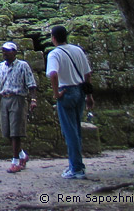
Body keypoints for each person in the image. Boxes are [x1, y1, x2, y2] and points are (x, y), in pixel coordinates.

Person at [46, 25, 93, 179]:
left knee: (70, 131)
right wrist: (89, 95)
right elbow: (87, 73)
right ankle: (75, 164)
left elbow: (53, 74)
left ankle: (77, 168)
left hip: (66, 92)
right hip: (80, 91)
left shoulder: (55, 54)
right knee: (76, 129)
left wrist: (56, 93)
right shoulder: (78, 50)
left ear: (53, 38)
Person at [0, 42, 37, 173]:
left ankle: (15, 161)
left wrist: (33, 99)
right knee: (6, 130)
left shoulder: (23, 66)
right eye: (3, 51)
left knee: (16, 131)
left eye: (7, 51)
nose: (5, 53)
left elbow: (31, 83)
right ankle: (22, 155)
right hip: (5, 98)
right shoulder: (0, 67)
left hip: (17, 98)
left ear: (14, 52)